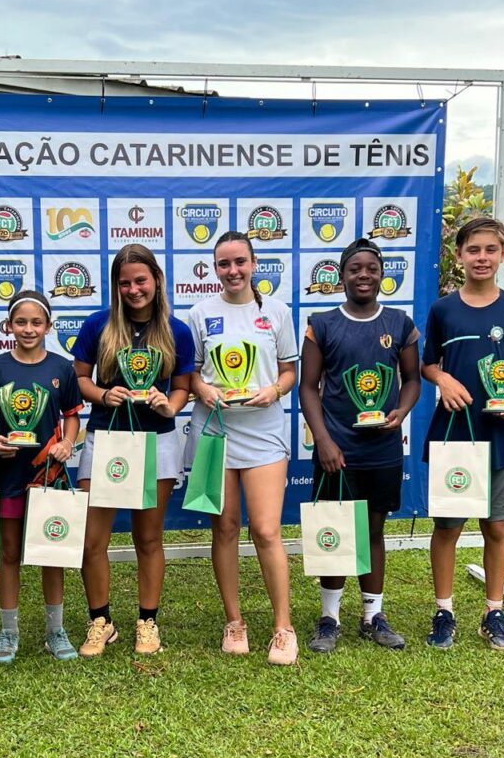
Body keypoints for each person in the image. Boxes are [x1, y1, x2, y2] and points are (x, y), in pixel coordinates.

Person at [299, 237, 421, 653]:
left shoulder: (400, 323)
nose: (363, 275)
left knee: (373, 528)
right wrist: (323, 441)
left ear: (382, 273)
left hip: (382, 448)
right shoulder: (323, 322)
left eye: (371, 268)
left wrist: (401, 413)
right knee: (335, 529)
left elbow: (413, 380)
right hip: (337, 449)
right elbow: (308, 388)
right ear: (341, 276)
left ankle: (373, 615)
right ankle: (329, 617)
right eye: (355, 269)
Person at [72, 244, 194, 657]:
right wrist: (104, 395)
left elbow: (182, 387)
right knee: (93, 540)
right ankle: (100, 622)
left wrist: (171, 405)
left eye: (140, 280)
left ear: (156, 280)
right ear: (115, 286)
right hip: (106, 439)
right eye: (124, 283)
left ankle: (147, 621)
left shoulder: (176, 331)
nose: (133, 289)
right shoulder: (97, 326)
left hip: (157, 441)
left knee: (148, 538)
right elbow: (80, 382)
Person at [185, 230, 299, 665]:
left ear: (254, 265)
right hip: (215, 429)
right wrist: (203, 390)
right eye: (223, 264)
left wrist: (274, 390)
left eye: (239, 262)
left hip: (264, 431)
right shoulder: (199, 313)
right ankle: (234, 622)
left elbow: (289, 371)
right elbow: (191, 374)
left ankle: (282, 627)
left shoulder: (277, 312)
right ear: (215, 269)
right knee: (225, 528)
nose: (232, 271)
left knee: (267, 530)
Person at [422, 217, 504, 651]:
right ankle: (444, 611)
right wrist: (442, 381)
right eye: (473, 250)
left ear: (503, 254)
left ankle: (494, 611)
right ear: (459, 255)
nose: (481, 258)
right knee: (447, 527)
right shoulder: (443, 309)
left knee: (497, 527)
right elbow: (428, 363)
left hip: (499, 435)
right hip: (454, 435)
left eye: (490, 250)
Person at [0, 290, 82, 665]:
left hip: (48, 475)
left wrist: (67, 444)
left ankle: (55, 630)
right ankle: (9, 631)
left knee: (50, 551)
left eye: (36, 322)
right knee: (9, 553)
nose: (28, 329)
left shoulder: (61, 368)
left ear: (49, 327)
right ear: (8, 326)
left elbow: (72, 415)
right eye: (20, 322)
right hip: (8, 472)